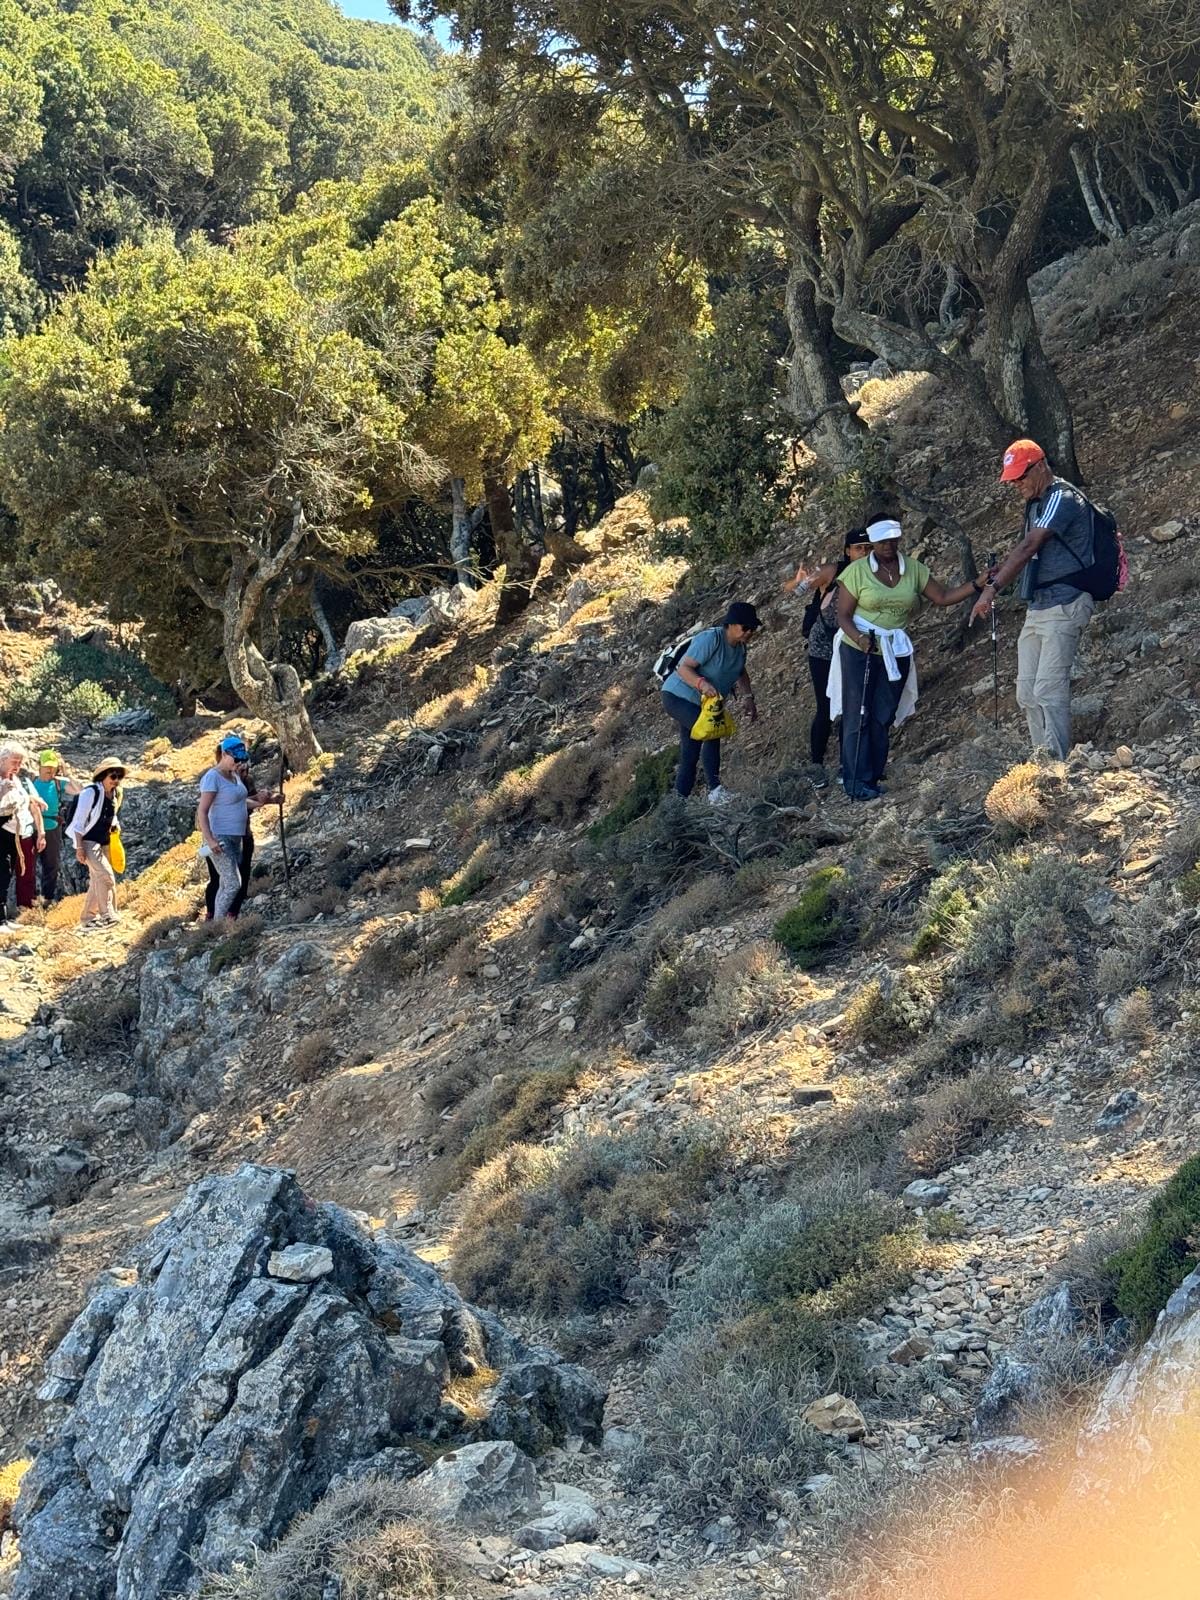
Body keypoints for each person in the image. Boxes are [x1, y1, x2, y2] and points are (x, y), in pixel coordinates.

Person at [833, 517, 991, 799]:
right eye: (882, 542)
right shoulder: (857, 572)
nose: (889, 547)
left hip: (895, 648)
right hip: (860, 648)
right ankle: (854, 780)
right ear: (872, 544)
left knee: (884, 713)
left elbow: (941, 596)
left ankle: (873, 776)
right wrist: (859, 637)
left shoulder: (912, 569)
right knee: (859, 713)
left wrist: (976, 586)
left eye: (893, 541)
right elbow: (843, 615)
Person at [970, 439, 1096, 760]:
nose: (1017, 484)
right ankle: (1043, 759)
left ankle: (1057, 766)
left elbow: (1029, 547)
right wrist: (1000, 574)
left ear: (1040, 466)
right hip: (1039, 606)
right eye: (1012, 479)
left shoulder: (1062, 498)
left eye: (1021, 476)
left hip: (1065, 604)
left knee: (1048, 690)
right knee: (1027, 692)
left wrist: (992, 589)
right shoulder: (1036, 503)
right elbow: (1025, 552)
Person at [784, 529, 872, 786]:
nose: (864, 553)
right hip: (822, 648)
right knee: (825, 706)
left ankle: (848, 764)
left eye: (868, 547)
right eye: (858, 548)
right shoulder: (832, 572)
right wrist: (797, 581)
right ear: (848, 551)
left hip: (852, 646)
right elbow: (795, 591)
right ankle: (817, 766)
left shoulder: (876, 574)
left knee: (853, 705)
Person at [660, 602, 761, 805]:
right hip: (678, 696)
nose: (749, 632)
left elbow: (741, 672)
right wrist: (701, 683)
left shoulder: (740, 648)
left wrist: (748, 698)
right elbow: (684, 669)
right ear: (731, 625)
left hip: (701, 705)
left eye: (752, 628)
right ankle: (716, 792)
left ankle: (678, 804)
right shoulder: (711, 639)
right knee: (711, 731)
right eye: (745, 628)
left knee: (690, 753)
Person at [200, 737, 278, 920]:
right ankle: (218, 925)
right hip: (220, 837)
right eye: (236, 759)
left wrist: (266, 801)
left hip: (236, 837)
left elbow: (240, 801)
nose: (239, 763)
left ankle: (215, 925)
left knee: (227, 884)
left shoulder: (234, 776)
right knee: (233, 883)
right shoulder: (212, 777)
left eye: (242, 760)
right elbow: (202, 812)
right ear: (225, 754)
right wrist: (210, 840)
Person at [65, 757, 126, 929]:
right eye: (113, 776)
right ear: (102, 776)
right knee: (105, 875)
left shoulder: (116, 794)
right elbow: (78, 822)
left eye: (119, 776)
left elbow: (112, 816)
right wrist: (79, 847)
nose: (116, 780)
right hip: (88, 841)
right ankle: (108, 915)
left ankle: (88, 918)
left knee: (96, 880)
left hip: (105, 841)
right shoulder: (90, 793)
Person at [0, 743, 47, 920]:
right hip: (3, 832)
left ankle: (18, 916)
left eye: (20, 762)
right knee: (2, 875)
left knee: (22, 873)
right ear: (2, 759)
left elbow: (28, 803)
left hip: (20, 834)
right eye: (14, 761)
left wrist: (33, 798)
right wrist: (3, 791)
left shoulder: (17, 779)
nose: (17, 766)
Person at [31, 750, 81, 904]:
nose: (50, 770)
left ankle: (47, 898)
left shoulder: (59, 783)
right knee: (29, 865)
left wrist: (67, 772)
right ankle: (30, 900)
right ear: (39, 766)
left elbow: (79, 790)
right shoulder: (31, 782)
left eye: (53, 767)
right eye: (46, 766)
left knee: (52, 864)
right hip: (31, 828)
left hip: (53, 827)